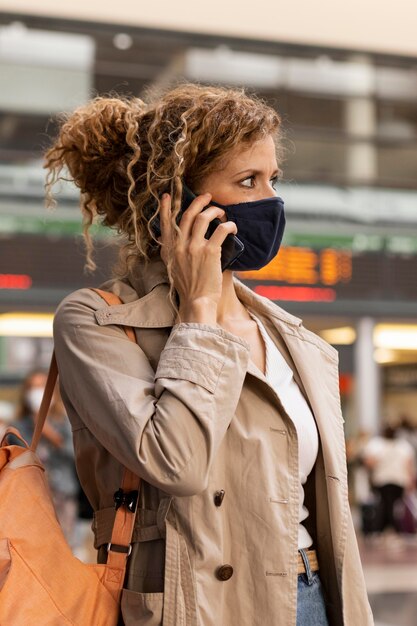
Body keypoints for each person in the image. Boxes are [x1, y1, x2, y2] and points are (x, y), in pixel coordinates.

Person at [45, 84, 373, 626]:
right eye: (248, 181)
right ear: (175, 202)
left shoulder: (292, 337)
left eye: (274, 179)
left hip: (310, 595)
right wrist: (199, 311)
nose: (271, 200)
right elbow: (176, 462)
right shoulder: (99, 321)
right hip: (198, 607)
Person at [11, 369, 79, 546]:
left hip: (63, 494)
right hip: (30, 495)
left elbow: (76, 456)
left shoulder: (66, 422)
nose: (36, 392)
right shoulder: (18, 425)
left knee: (63, 546)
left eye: (41, 386)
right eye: (32, 387)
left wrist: (54, 437)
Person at [362, 424, 416, 537]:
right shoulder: (403, 446)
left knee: (386, 505)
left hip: (383, 480)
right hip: (398, 480)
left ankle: (386, 530)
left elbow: (369, 462)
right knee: (390, 505)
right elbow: (408, 465)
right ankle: (392, 530)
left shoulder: (376, 445)